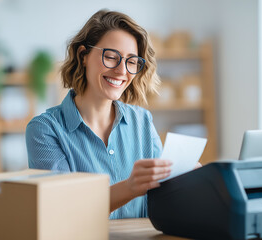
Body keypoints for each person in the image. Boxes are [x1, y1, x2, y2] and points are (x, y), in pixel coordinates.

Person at [25, 9, 172, 219]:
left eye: (131, 62)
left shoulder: (142, 121)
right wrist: (130, 187)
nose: (122, 71)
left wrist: (186, 180)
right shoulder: (45, 130)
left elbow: (162, 196)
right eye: (111, 57)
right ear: (83, 55)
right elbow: (63, 208)